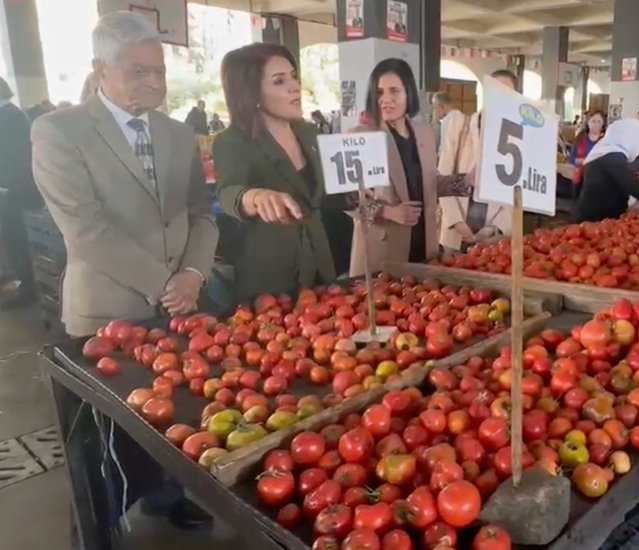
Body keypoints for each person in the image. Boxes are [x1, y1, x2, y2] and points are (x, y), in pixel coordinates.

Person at [32, 11, 218, 529]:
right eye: (138, 71)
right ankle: (100, 527)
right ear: (100, 69)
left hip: (178, 306)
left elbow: (201, 213)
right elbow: (85, 229)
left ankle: (167, 497)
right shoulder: (59, 132)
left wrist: (194, 276)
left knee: (171, 416)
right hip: (106, 312)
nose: (154, 82)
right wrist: (165, 282)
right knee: (106, 438)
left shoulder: (179, 135)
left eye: (159, 70)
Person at [213, 43, 338, 301]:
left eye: (293, 77)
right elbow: (228, 192)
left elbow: (324, 194)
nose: (294, 86)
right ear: (252, 93)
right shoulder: (232, 141)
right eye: (279, 81)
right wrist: (255, 197)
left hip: (320, 262)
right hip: (270, 274)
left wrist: (360, 195)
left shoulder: (309, 133)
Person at [348, 58, 471, 276]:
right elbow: (348, 199)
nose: (386, 100)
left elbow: (431, 183)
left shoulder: (424, 133)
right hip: (384, 250)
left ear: (409, 93)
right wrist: (388, 211)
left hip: (424, 244)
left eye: (394, 91)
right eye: (379, 93)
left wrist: (465, 181)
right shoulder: (362, 137)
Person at [438, 69, 520, 253]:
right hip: (456, 229)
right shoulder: (461, 126)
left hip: (492, 235)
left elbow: (516, 191)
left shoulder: (516, 139)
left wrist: (494, 227)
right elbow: (442, 177)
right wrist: (457, 222)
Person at [0, 77, 40, 308]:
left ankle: (28, 288)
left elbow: (13, 157)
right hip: (16, 189)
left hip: (15, 191)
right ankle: (27, 284)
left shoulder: (8, 117)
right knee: (17, 240)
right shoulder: (13, 114)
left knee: (19, 240)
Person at [567, 110, 606, 194]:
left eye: (599, 121)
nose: (596, 124)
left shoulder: (606, 142)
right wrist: (586, 160)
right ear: (588, 122)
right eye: (593, 121)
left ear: (603, 124)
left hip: (599, 183)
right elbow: (571, 160)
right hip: (579, 181)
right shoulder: (579, 139)